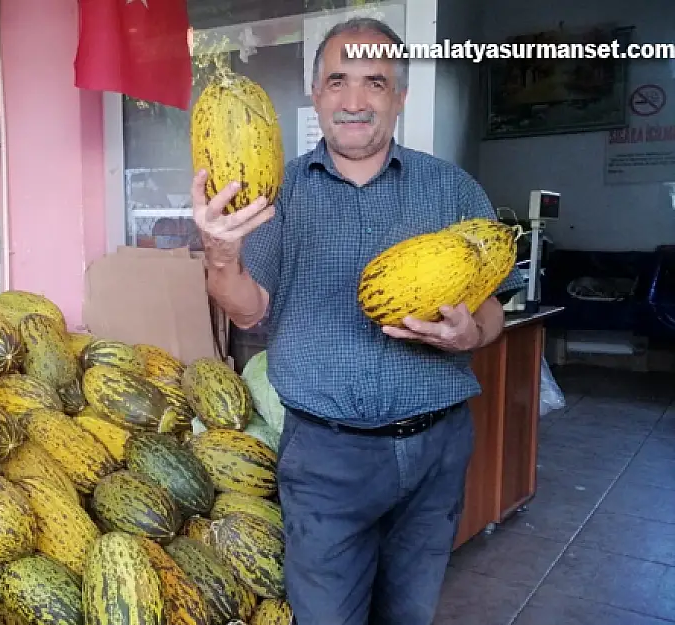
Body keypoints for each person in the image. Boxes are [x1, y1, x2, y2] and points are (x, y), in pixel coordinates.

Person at [190, 16, 525, 625]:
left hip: (436, 449)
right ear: (315, 94)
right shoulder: (275, 194)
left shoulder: (451, 189)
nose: (353, 100)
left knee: (409, 611)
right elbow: (249, 309)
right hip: (325, 456)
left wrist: (469, 333)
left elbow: (492, 307)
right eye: (337, 80)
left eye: (375, 81)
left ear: (400, 96)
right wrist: (220, 251)